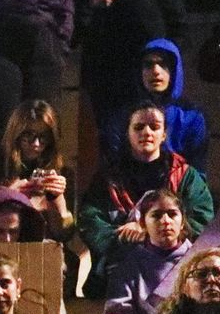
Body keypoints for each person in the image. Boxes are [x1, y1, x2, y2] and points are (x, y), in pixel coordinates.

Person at [78, 103, 213, 295]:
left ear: (164, 134)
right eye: (139, 127)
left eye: (154, 127)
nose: (146, 132)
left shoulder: (186, 177)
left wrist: (151, 233)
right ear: (128, 133)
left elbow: (202, 221)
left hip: (173, 272)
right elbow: (90, 221)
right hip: (118, 268)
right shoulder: (108, 178)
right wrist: (121, 236)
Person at [75, 0, 187, 123]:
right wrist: (90, 5)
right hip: (104, 80)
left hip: (145, 81)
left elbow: (180, 28)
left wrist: (162, 61)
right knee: (111, 142)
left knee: (148, 138)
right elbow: (74, 32)